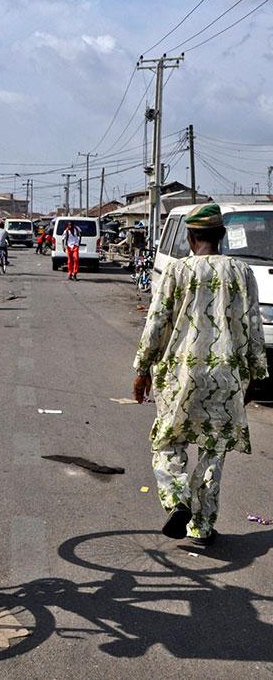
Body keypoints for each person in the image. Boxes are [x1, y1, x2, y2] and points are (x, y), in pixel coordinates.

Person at [133, 203, 267, 545]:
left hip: (181, 375)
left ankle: (177, 500)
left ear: (191, 238)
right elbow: (252, 327)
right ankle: (201, 525)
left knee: (167, 441)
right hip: (227, 374)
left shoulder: (178, 272)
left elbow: (157, 322)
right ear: (222, 236)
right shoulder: (242, 272)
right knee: (213, 449)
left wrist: (142, 369)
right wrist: (254, 374)